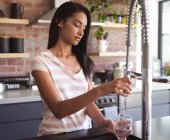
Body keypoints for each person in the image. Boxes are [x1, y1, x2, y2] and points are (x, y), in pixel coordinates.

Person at [31, 1, 132, 136]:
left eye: (84, 28)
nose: (81, 32)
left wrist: (103, 122)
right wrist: (102, 89)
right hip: (53, 136)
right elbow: (58, 110)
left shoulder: (84, 61)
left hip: (83, 135)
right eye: (77, 25)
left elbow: (88, 105)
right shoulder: (42, 61)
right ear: (60, 22)